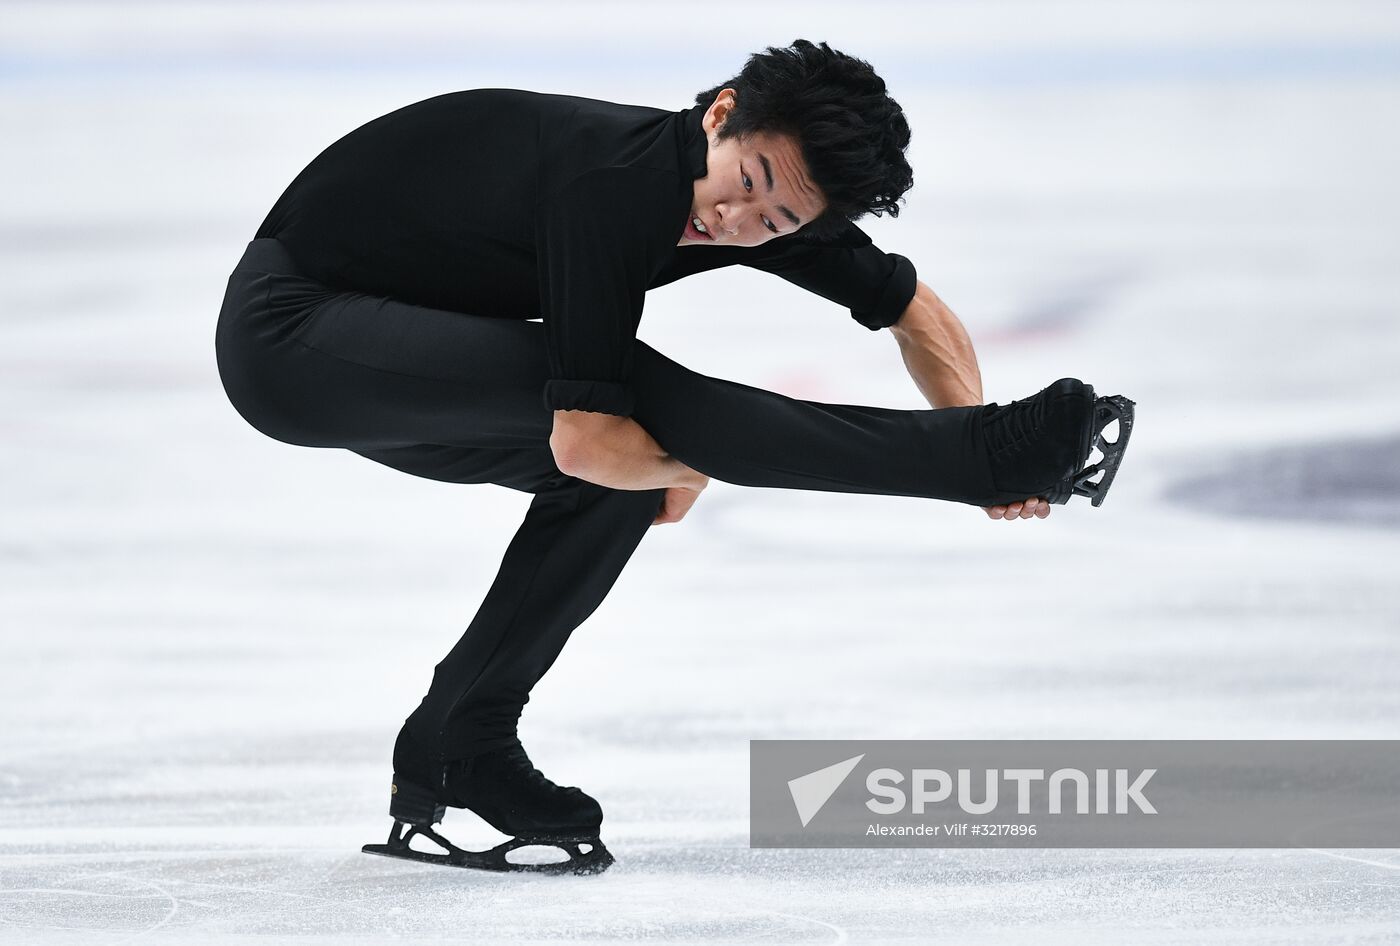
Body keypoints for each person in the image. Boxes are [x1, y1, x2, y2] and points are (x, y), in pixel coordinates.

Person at [214, 39, 1132, 874]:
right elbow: (584, 437)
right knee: (635, 415)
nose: (737, 220)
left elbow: (918, 316)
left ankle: (461, 745)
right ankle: (976, 456)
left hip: (384, 338)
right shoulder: (610, 181)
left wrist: (967, 445)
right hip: (291, 334)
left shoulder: (765, 200)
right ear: (721, 115)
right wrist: (698, 466)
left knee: (616, 481)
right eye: (745, 180)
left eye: (775, 221)